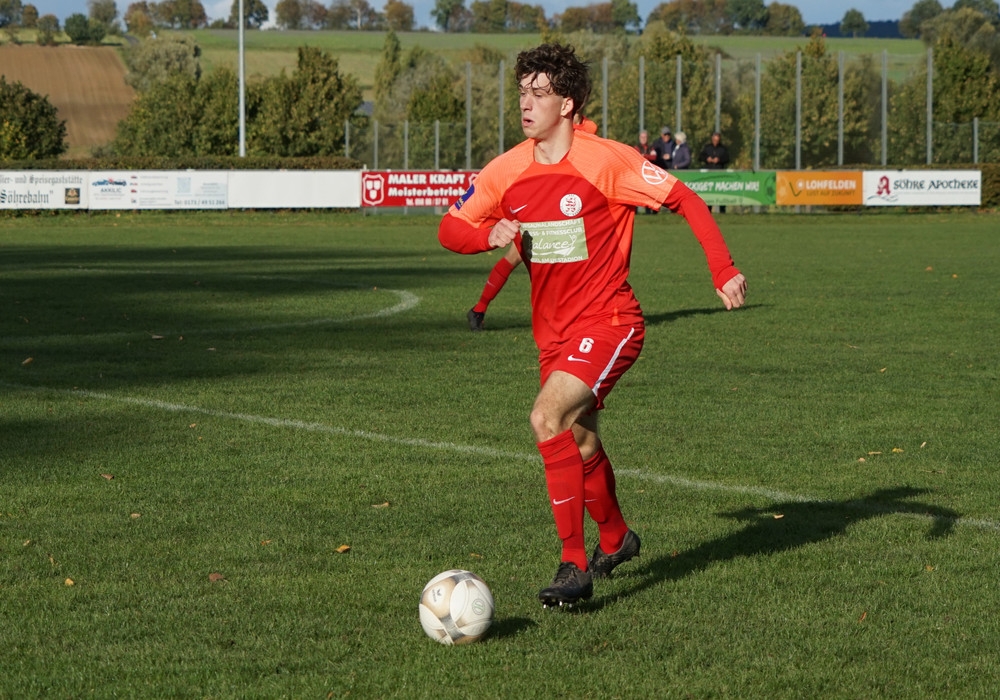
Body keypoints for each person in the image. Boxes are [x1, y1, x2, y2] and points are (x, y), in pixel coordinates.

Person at [438, 43, 747, 609]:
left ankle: (574, 566)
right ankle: (617, 537)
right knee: (579, 440)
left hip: (610, 320)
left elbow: (685, 198)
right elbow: (450, 227)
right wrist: (487, 235)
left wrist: (722, 269)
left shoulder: (607, 160)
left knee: (546, 417)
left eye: (539, 93)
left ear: (567, 104)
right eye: (522, 92)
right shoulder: (506, 170)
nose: (526, 103)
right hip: (552, 335)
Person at [467, 113, 597, 332]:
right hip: (537, 203)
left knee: (521, 258)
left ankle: (479, 310)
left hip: (551, 202)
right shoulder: (573, 128)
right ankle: (481, 310)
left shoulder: (584, 128)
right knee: (540, 258)